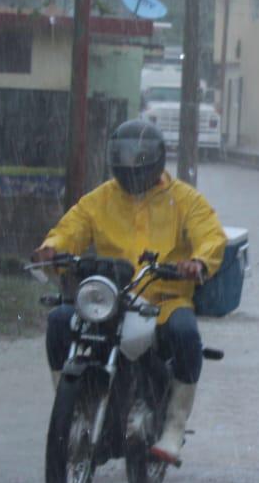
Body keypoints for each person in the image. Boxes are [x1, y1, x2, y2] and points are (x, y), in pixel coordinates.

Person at [33, 119, 226, 465]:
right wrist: (52, 249)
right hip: (109, 300)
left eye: (139, 156)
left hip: (164, 301)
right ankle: (72, 408)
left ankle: (173, 428)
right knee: (60, 321)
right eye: (122, 155)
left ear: (157, 159)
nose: (131, 163)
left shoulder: (185, 200)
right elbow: (70, 228)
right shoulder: (100, 199)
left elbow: (211, 235)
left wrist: (197, 262)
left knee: (185, 335)